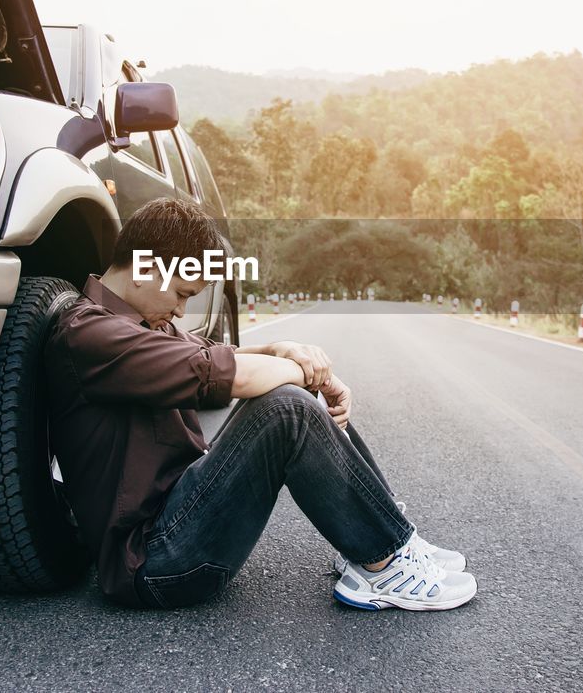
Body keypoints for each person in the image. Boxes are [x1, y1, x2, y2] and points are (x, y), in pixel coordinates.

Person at [44, 197, 476, 611]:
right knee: (287, 408)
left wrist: (288, 351)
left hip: (180, 517)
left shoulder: (140, 327)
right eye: (180, 293)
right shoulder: (91, 334)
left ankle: (382, 536)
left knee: (291, 391)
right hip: (154, 561)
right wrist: (310, 376)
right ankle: (386, 561)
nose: (180, 310)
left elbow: (219, 354)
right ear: (144, 267)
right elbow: (219, 373)